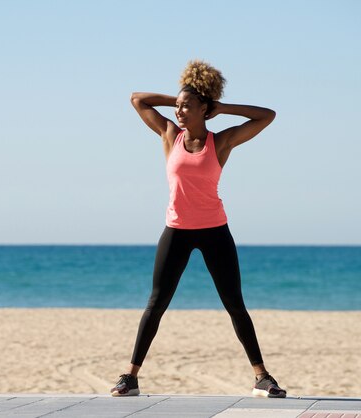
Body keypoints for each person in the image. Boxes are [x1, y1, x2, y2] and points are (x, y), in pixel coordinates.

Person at [111, 60, 286, 398]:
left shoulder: (221, 143)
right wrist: (176, 98)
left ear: (204, 109)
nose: (179, 111)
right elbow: (137, 99)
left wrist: (221, 108)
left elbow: (267, 115)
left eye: (186, 106)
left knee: (234, 303)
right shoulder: (169, 135)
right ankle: (130, 377)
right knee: (156, 302)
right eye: (177, 106)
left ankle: (262, 377)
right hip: (176, 230)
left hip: (214, 230)